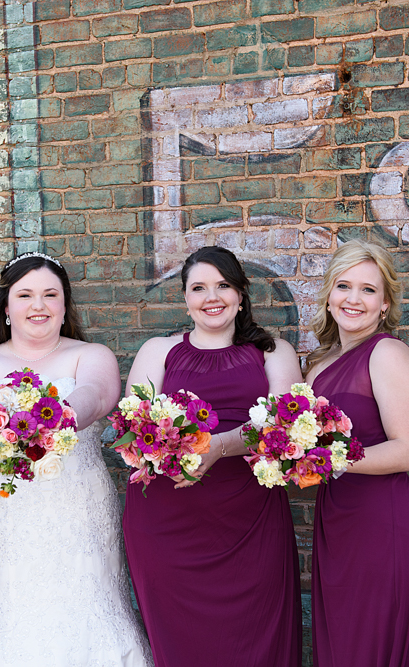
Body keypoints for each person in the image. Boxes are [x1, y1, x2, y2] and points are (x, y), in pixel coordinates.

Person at [0, 252, 152, 667]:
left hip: (79, 510)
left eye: (49, 295)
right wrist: (17, 425)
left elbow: (95, 395)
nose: (37, 305)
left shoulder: (90, 354)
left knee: (88, 602)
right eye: (25, 295)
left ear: (63, 306)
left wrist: (55, 419)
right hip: (6, 514)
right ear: (6, 308)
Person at [122, 246, 303, 667]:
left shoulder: (274, 352)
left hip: (249, 520)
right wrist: (167, 453)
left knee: (255, 634)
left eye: (223, 285)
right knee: (182, 641)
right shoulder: (158, 350)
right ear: (185, 298)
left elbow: (284, 428)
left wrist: (218, 447)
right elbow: (133, 428)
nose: (212, 297)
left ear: (241, 295)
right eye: (199, 288)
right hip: (169, 524)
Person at [304, 239, 409, 667]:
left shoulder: (388, 354)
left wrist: (324, 459)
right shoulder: (318, 365)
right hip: (335, 519)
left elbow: (408, 452)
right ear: (328, 295)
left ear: (384, 304)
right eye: (343, 286)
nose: (353, 299)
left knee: (372, 647)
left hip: (383, 524)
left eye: (368, 290)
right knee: (341, 645)